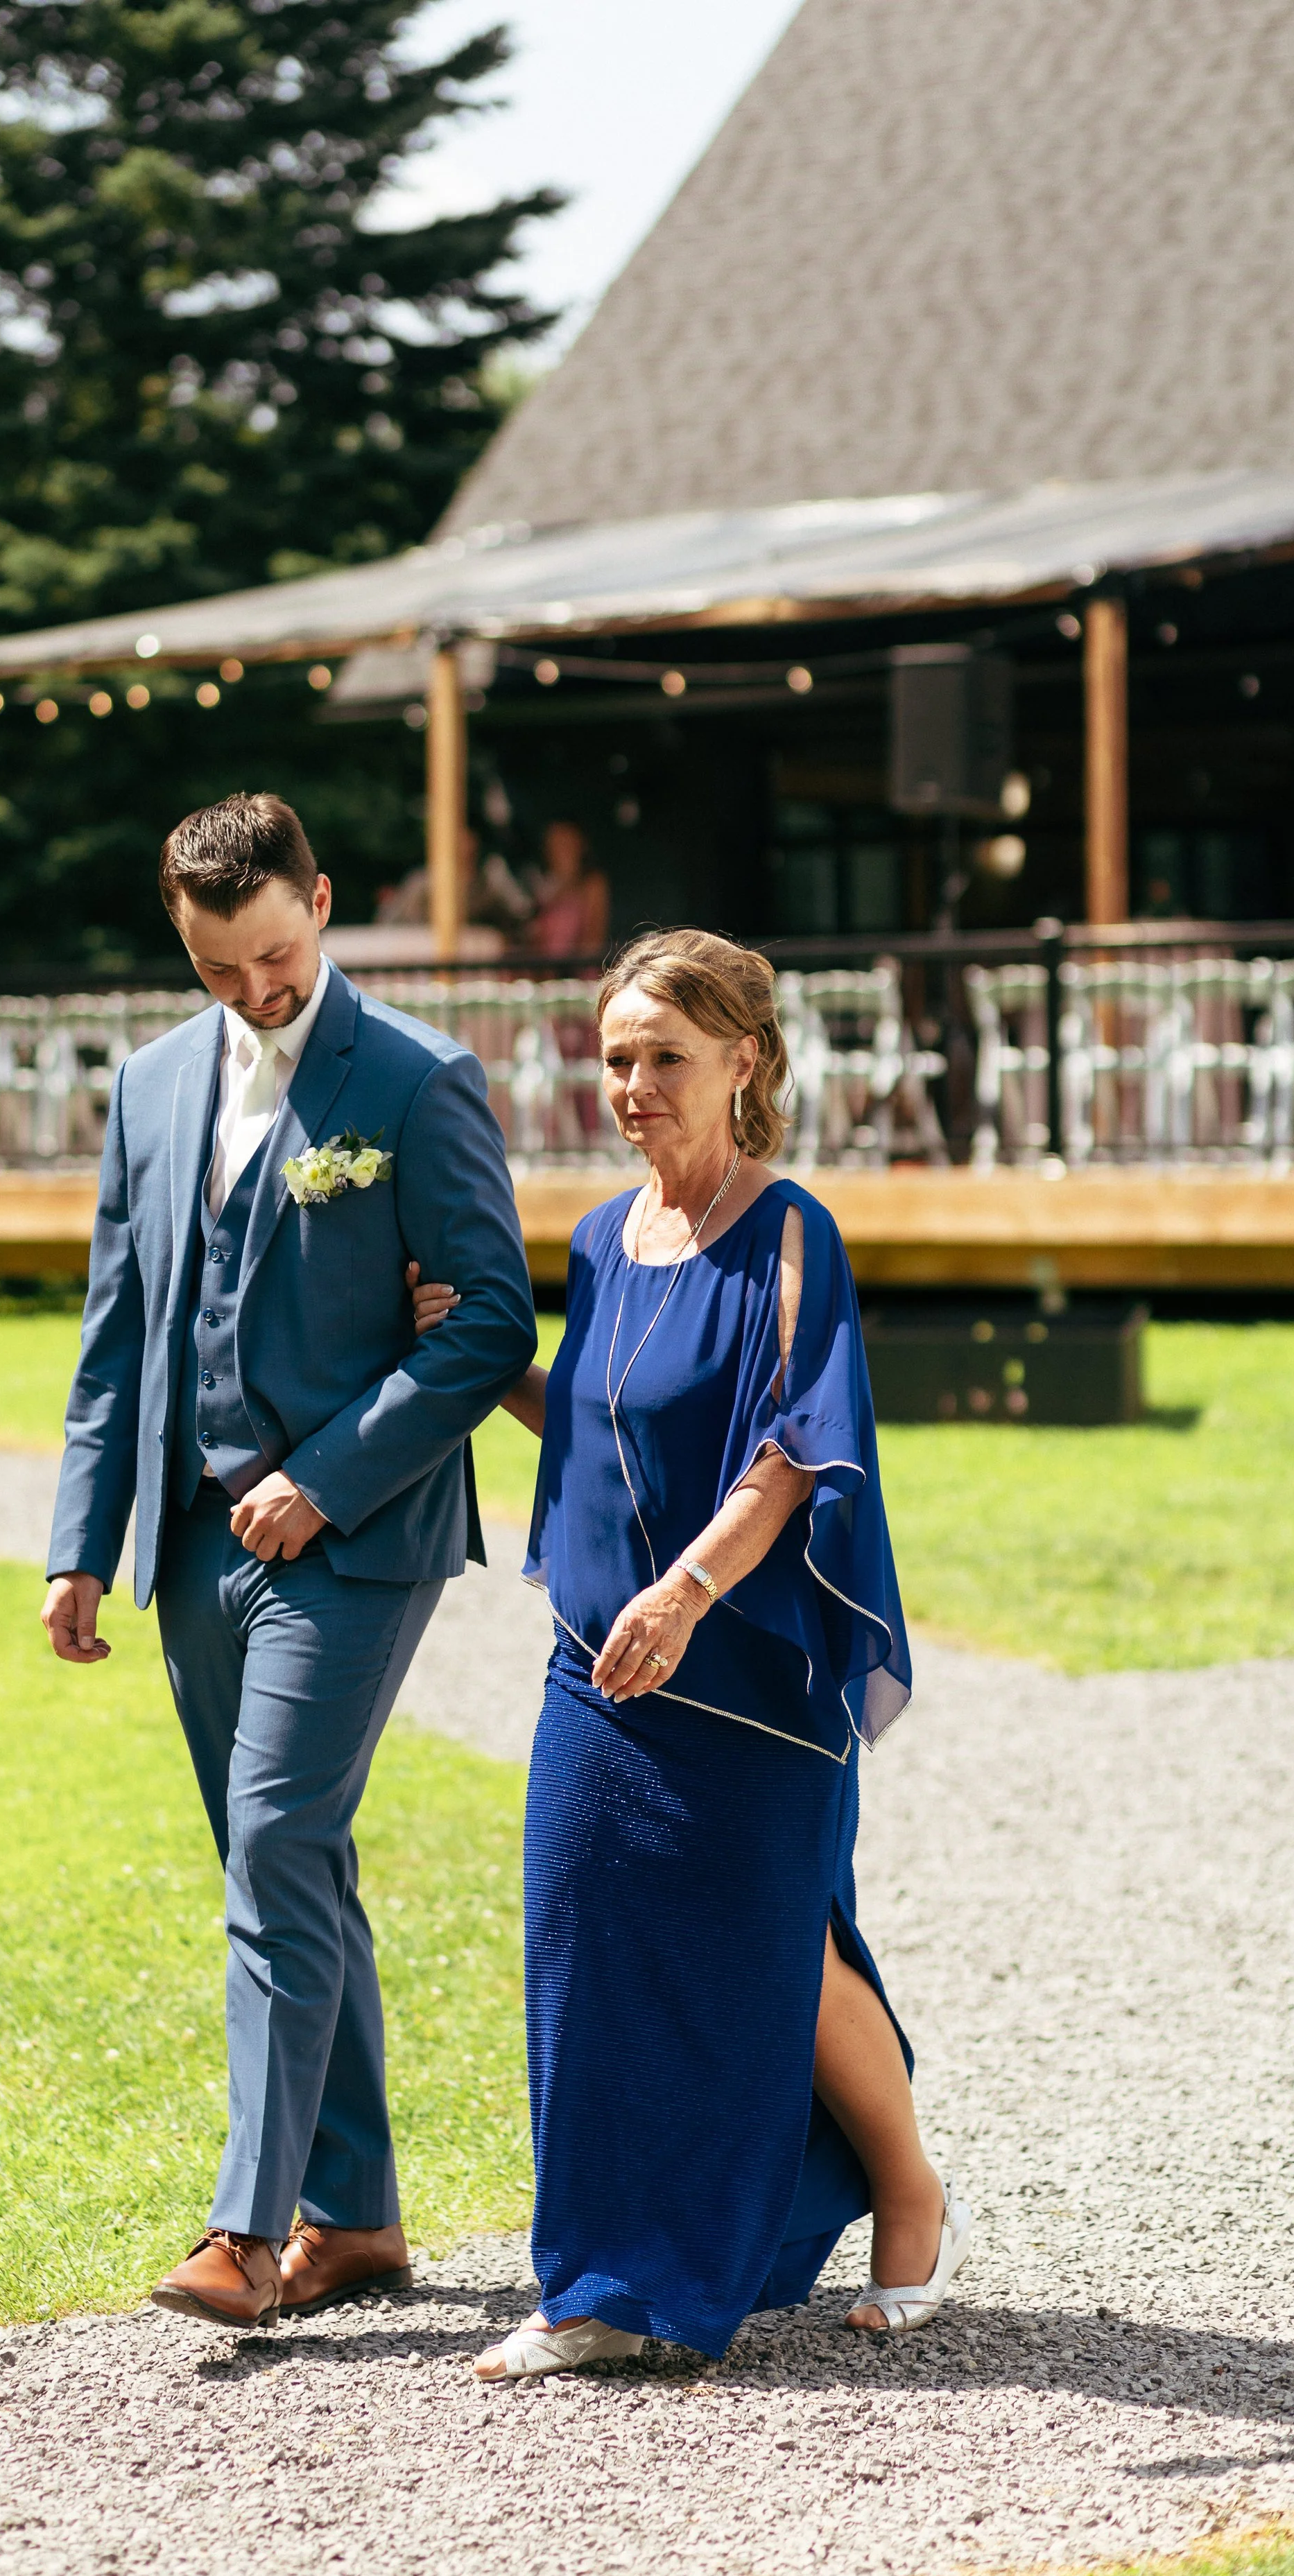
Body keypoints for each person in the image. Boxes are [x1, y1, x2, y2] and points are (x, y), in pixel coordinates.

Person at [411, 928, 969, 2377]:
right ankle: (594, 2286)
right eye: (615, 1060)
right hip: (595, 1660)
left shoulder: (788, 1232)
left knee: (778, 1943)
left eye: (664, 1057)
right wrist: (487, 1366)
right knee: (581, 1957)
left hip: (742, 1665)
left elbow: (793, 1442)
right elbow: (608, 1431)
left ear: (745, 1062)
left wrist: (684, 1595)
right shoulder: (598, 1242)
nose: (634, 1085)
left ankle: (907, 2194)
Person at [41, 793, 537, 2333]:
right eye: (217, 968)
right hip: (189, 1543)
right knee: (290, 1858)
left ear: (318, 902)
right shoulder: (148, 1086)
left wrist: (322, 1483)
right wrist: (78, 1546)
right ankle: (363, 2219)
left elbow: (491, 1329)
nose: (254, 992)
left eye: (272, 954)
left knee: (269, 1838)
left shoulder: (414, 1079)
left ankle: (246, 2234)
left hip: (358, 1535)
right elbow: (118, 1330)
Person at [373, 827, 535, 939]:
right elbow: (388, 922)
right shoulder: (423, 882)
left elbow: (521, 912)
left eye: (464, 836)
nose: (460, 844)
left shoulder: (491, 876)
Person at [525, 819, 610, 957]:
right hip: (543, 968)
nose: (561, 850)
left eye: (567, 843)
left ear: (581, 845)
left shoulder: (593, 883)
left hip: (579, 968)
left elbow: (593, 938)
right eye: (555, 843)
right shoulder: (538, 883)